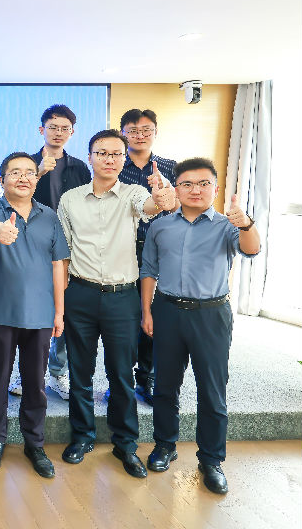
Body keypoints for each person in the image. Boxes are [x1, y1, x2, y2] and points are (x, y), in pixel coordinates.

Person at [57, 129, 176, 479]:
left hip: (122, 297)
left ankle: (125, 443)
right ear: (90, 157)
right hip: (80, 293)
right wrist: (61, 302)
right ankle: (82, 436)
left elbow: (152, 206)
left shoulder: (134, 193)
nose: (109, 159)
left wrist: (163, 196)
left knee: (121, 374)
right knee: (79, 372)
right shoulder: (70, 199)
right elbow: (63, 254)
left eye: (116, 154)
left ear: (124, 160)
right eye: (102, 153)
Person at [140, 157, 260, 495]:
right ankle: (165, 445)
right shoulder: (161, 226)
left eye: (204, 183)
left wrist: (247, 224)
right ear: (176, 189)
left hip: (211, 314)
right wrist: (146, 312)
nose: (196, 190)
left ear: (215, 188)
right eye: (188, 184)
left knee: (212, 389)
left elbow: (252, 249)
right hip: (167, 310)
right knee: (165, 385)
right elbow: (148, 270)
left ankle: (211, 459)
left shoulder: (227, 225)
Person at [0, 152, 69, 478]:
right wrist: (0, 230)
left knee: (35, 382)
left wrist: (59, 312)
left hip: (41, 314)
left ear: (36, 179)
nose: (23, 178)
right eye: (15, 172)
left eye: (29, 172)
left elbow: (58, 265)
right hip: (0, 312)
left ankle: (35, 443)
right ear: (2, 180)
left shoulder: (49, 216)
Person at [14, 104, 91, 401]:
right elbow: (15, 199)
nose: (58, 133)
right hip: (34, 246)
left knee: (65, 310)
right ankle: (26, 373)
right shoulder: (27, 164)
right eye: (53, 127)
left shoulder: (79, 167)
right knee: (30, 310)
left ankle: (58, 372)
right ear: (41, 129)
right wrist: (37, 173)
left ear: (72, 132)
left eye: (64, 128)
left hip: (70, 247)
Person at [118, 109, 176, 406]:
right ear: (123, 133)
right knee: (125, 314)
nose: (140, 135)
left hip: (160, 249)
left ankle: (148, 376)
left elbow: (183, 206)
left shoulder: (170, 167)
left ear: (155, 132)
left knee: (154, 313)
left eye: (146, 130)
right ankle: (122, 379)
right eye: (133, 130)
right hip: (123, 248)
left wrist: (167, 191)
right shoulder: (115, 164)